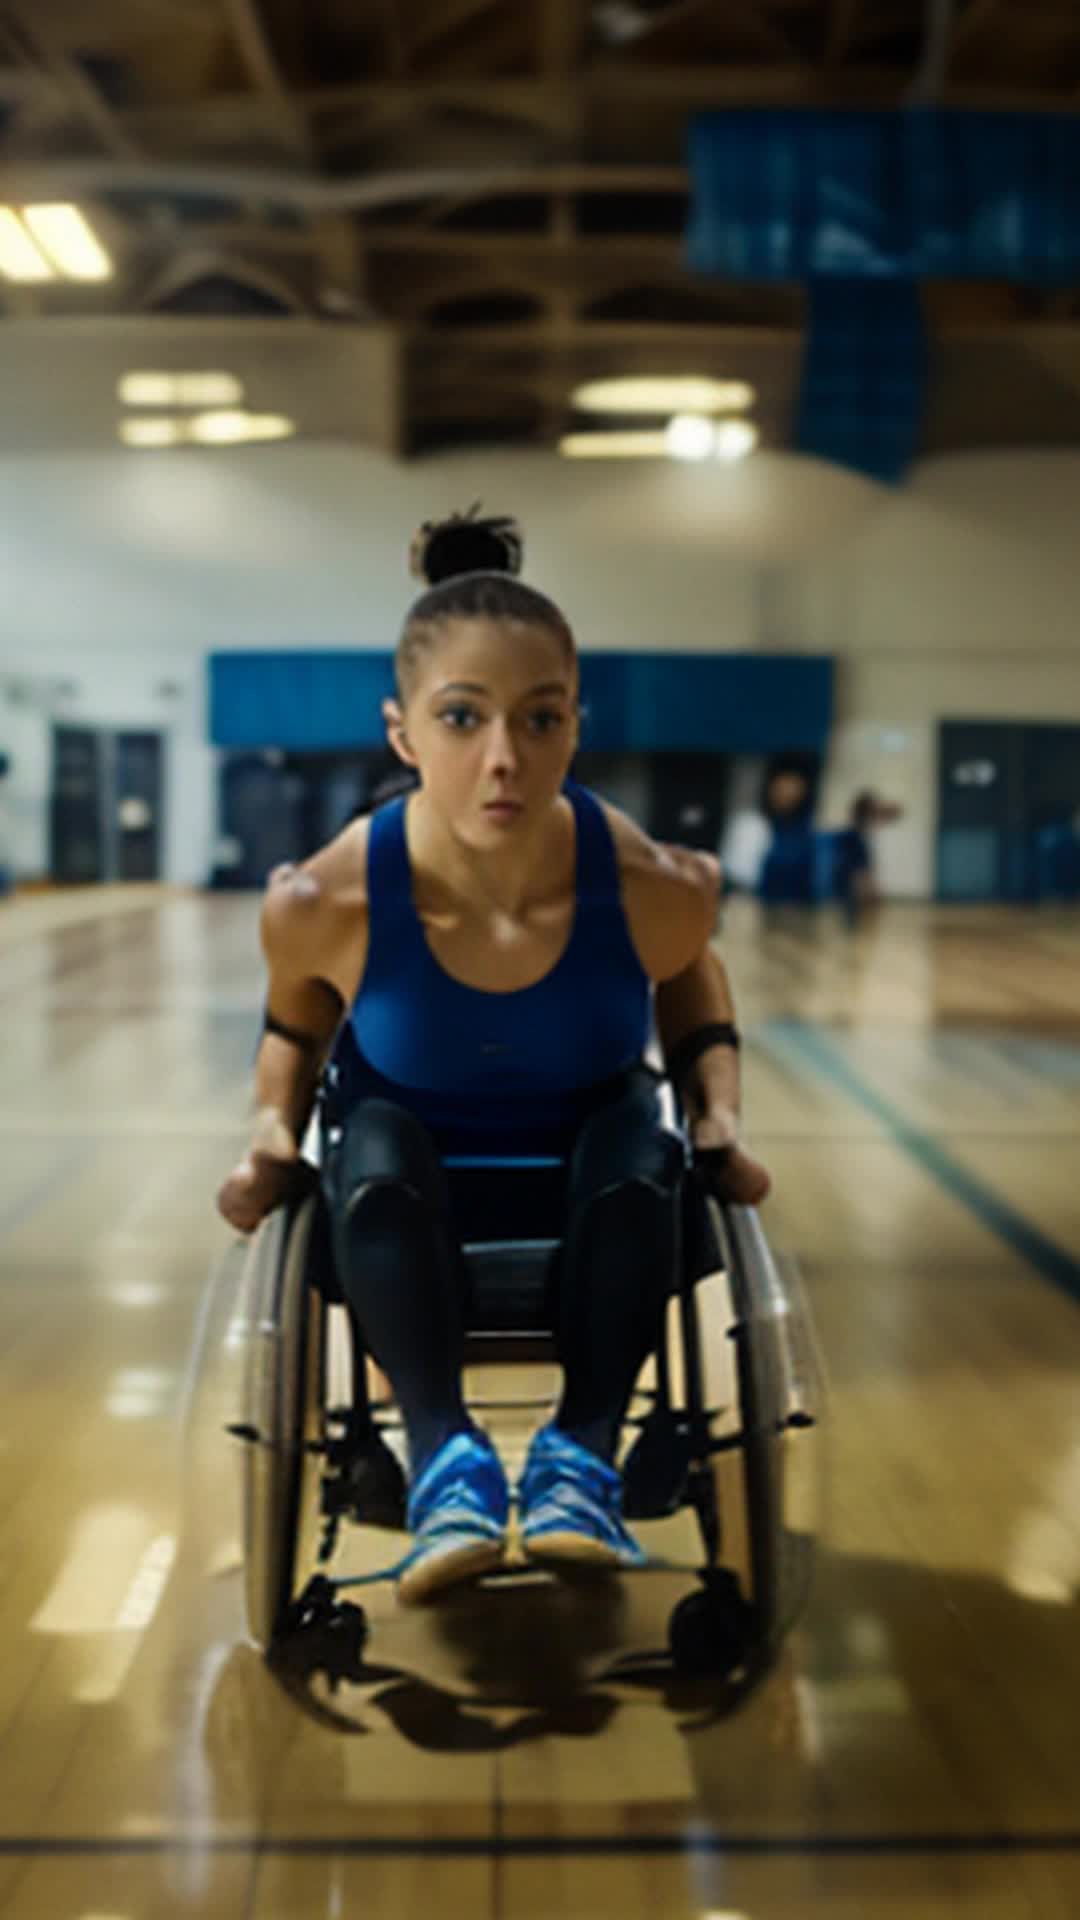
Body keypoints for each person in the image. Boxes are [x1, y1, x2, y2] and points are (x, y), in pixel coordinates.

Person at [217, 511, 770, 1606]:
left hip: (594, 1169)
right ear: (403, 732)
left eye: (540, 719)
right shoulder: (324, 900)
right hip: (409, 1177)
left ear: (576, 728)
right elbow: (295, 1030)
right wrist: (270, 1137)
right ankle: (444, 1461)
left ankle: (581, 1455)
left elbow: (692, 978)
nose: (504, 758)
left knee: (643, 1153)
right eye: (462, 719)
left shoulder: (653, 886)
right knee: (365, 1154)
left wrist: (718, 1114)